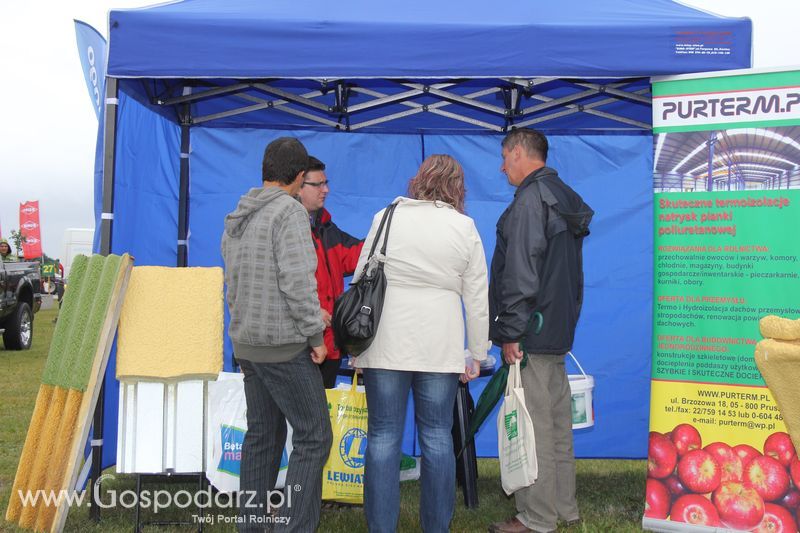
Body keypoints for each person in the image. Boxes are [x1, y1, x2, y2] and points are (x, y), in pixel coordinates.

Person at [354, 154, 489, 533]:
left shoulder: (386, 217)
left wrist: (357, 348)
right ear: (458, 188)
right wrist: (477, 353)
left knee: (382, 437)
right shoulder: (464, 227)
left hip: (384, 342)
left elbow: (360, 278)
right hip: (439, 345)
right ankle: (436, 528)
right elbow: (477, 296)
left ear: (419, 180)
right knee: (436, 438)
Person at [221, 137, 332, 533]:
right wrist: (316, 335)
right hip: (283, 347)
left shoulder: (239, 213)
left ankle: (252, 526)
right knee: (315, 436)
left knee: (262, 437)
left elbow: (236, 283)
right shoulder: (289, 212)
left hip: (247, 344)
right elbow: (298, 282)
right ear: (299, 177)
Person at [487, 129, 593, 533]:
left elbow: (521, 271)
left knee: (534, 427)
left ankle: (536, 517)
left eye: (504, 157)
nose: (502, 167)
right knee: (556, 423)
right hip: (556, 327)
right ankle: (565, 507)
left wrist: (511, 330)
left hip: (531, 329)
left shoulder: (532, 200)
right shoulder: (562, 196)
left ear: (518, 153)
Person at [297, 156, 364, 388]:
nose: (325, 190)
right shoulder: (287, 231)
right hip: (299, 348)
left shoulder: (326, 228)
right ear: (298, 186)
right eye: (318, 184)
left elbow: (359, 255)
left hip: (328, 348)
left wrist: (389, 234)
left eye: (326, 183)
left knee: (320, 421)